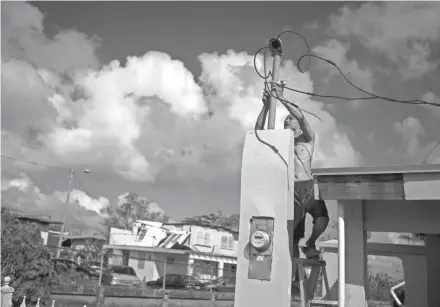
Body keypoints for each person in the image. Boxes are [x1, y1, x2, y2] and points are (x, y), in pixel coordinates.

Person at [255, 82, 329, 287]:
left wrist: (282, 98)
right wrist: (266, 105)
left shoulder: (307, 139)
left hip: (308, 186)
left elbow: (302, 117)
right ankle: (293, 278)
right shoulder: (280, 142)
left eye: (289, 118)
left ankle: (312, 241)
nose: (287, 120)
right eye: (285, 119)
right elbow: (258, 131)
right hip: (291, 190)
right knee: (292, 236)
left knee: (323, 218)